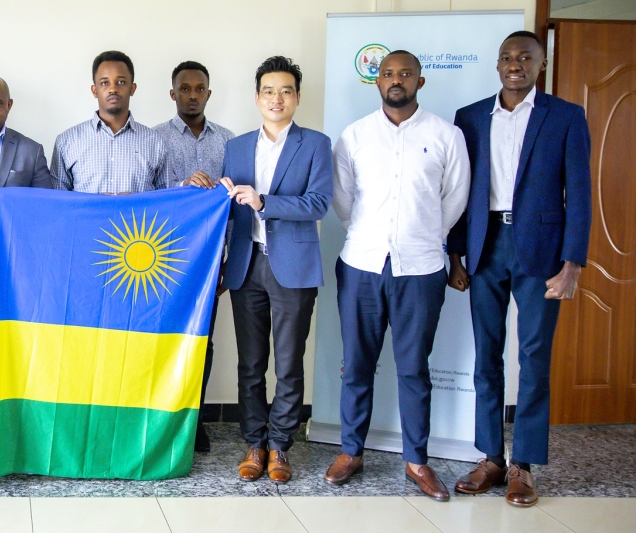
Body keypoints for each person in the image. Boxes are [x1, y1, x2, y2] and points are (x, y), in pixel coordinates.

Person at [448, 31, 591, 507]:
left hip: (542, 251)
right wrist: (455, 255)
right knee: (486, 358)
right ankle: (491, 457)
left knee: (533, 359)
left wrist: (572, 264)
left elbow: (580, 195)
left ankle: (523, 465)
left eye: (525, 57)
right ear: (497, 64)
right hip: (484, 245)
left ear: (541, 63)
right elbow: (457, 191)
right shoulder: (469, 118)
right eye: (508, 57)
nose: (516, 65)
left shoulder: (567, 117)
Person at [324, 50, 469, 502]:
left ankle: (417, 461)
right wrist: (371, 236)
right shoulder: (355, 136)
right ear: (377, 82)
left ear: (420, 82)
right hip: (362, 264)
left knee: (413, 369)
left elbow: (455, 198)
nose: (396, 80)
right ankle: (351, 451)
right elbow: (343, 201)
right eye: (388, 74)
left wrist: (425, 235)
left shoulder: (446, 135)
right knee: (357, 366)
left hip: (421, 267)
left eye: (405, 73)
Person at [209, 57, 331, 483]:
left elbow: (318, 204)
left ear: (297, 97)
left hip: (293, 267)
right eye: (268, 91)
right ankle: (254, 442)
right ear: (256, 97)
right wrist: (215, 195)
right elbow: (229, 208)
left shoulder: (315, 144)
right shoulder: (236, 147)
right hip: (246, 264)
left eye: (285, 91)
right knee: (251, 362)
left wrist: (264, 202)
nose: (276, 99)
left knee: (289, 362)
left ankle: (280, 445)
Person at [153, 61, 234, 452]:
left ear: (208, 93)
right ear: (173, 94)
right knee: (160, 340)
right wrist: (181, 187)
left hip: (210, 263)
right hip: (161, 263)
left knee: (203, 340)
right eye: (184, 89)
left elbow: (236, 208)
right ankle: (161, 419)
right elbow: (148, 197)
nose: (192, 95)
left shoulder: (229, 143)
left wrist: (226, 264)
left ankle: (194, 419)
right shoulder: (154, 140)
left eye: (199, 89)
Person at [51, 50, 169, 193]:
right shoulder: (67, 141)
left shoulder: (155, 142)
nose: (113, 89)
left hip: (137, 216)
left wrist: (136, 202)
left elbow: (166, 201)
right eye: (105, 83)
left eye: (121, 82)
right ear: (94, 90)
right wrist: (95, 203)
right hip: (88, 217)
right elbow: (58, 202)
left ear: (132, 88)